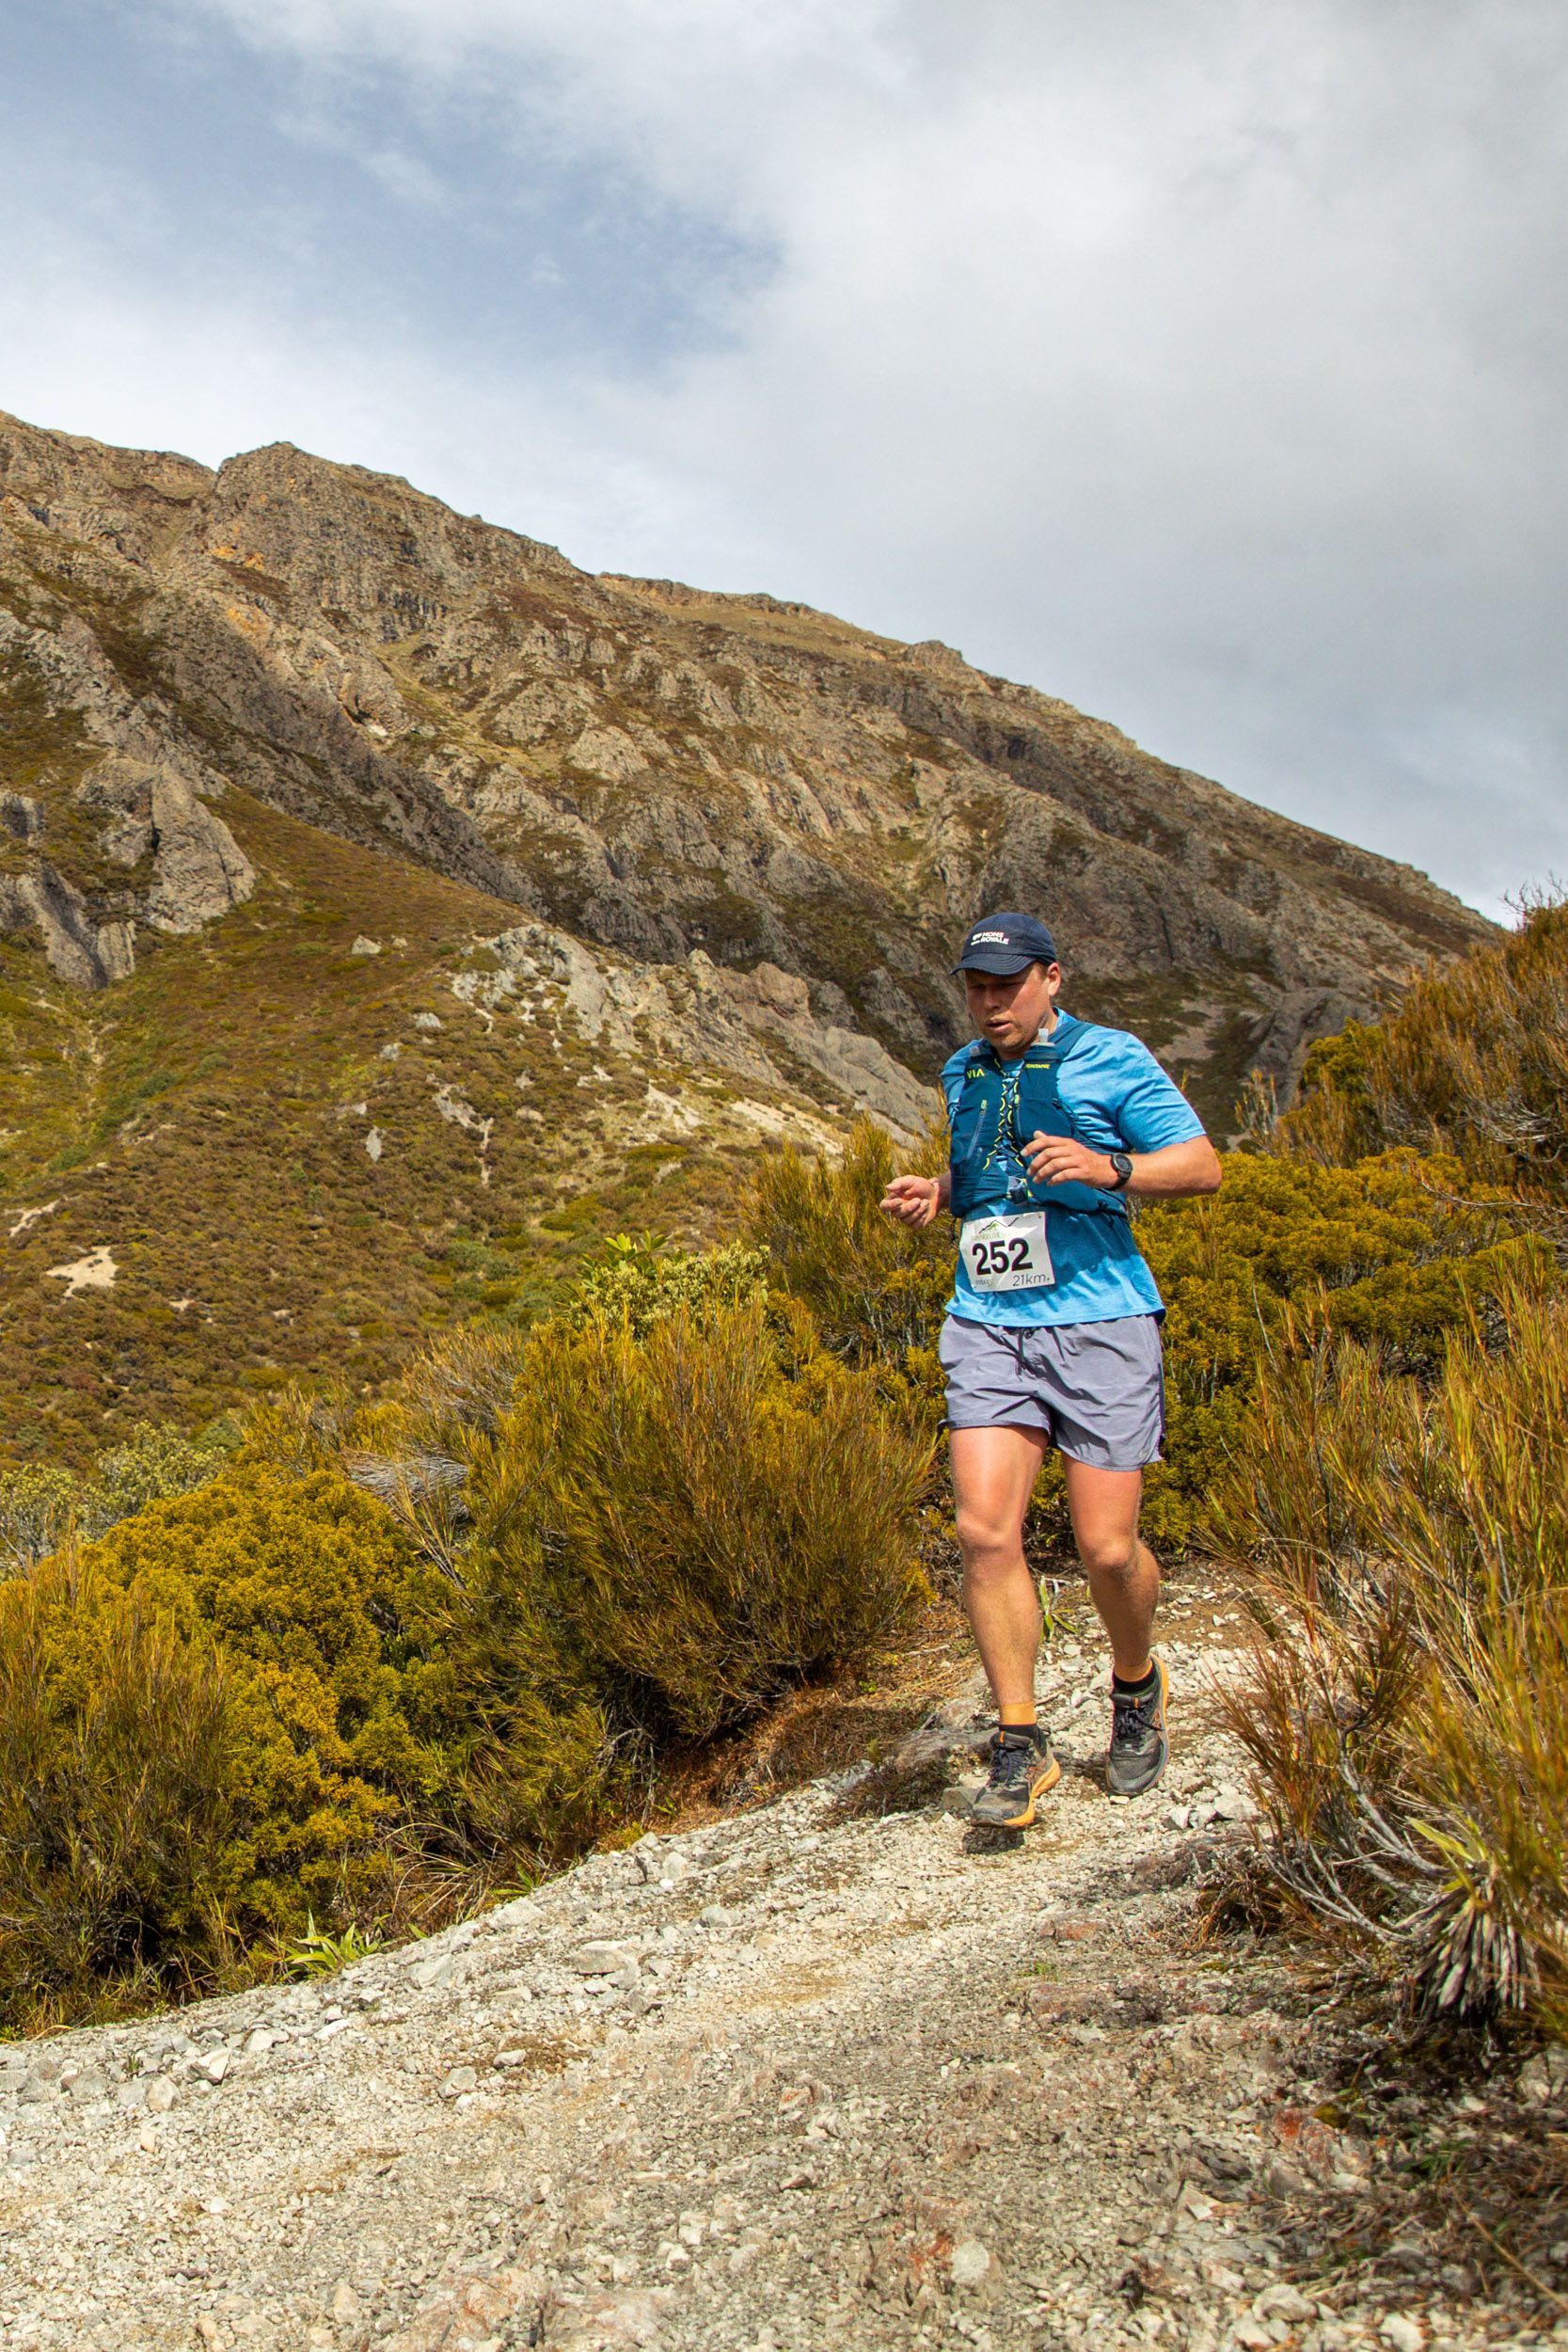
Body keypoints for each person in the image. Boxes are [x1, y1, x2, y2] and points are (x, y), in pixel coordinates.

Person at [881, 911, 1222, 1827]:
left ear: (1051, 979)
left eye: (1006, 986)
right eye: (977, 989)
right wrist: (936, 1193)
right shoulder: (962, 1071)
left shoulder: (1110, 1059)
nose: (990, 1005)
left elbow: (1199, 1166)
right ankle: (1018, 1741)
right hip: (987, 1321)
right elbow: (986, 1173)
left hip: (1100, 1319)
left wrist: (1106, 1168)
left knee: (1105, 1550)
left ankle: (1134, 1681)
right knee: (984, 1531)